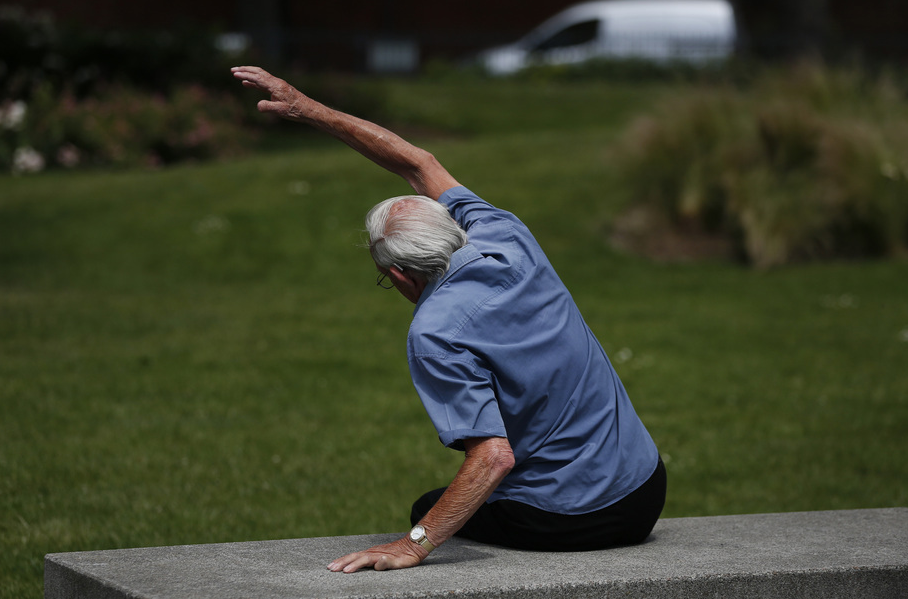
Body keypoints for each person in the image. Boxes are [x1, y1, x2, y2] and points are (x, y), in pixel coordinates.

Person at [231, 65, 666, 574]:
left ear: (397, 276)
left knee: (427, 509)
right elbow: (418, 163)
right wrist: (307, 107)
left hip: (574, 519)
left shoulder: (435, 333)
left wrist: (413, 544)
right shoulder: (504, 234)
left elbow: (493, 457)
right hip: (646, 488)